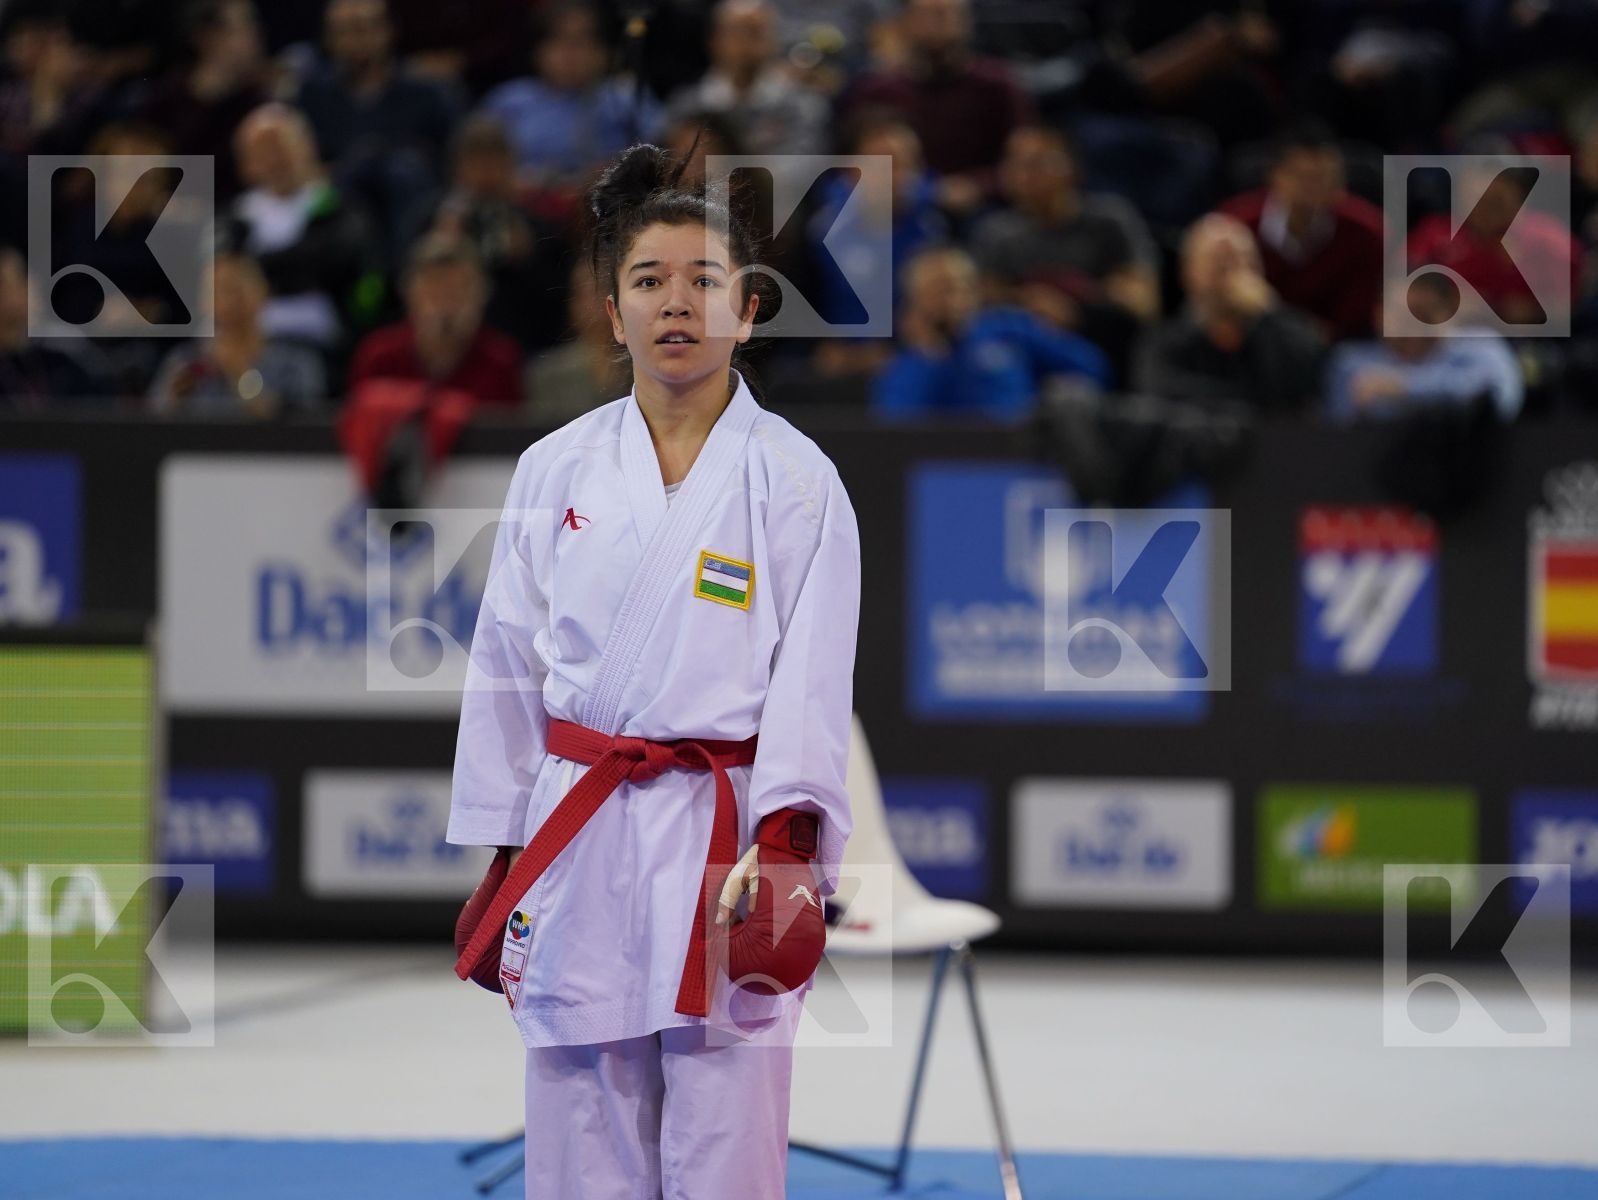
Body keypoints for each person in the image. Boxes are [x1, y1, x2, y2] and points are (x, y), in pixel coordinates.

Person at [446, 141, 860, 1198]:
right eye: (647, 281)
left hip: (722, 842)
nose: (675, 304)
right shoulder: (556, 467)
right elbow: (503, 662)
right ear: (610, 309)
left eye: (703, 282)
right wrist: (502, 851)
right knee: (580, 1118)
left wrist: (786, 842)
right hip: (577, 828)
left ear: (749, 309)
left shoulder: (795, 481)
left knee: (726, 1134)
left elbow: (811, 684)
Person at [874, 245, 1109, 420]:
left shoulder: (1008, 328)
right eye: (940, 290)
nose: (954, 299)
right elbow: (897, 424)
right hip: (943, 465)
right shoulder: (908, 362)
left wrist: (1049, 397)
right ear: (916, 300)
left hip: (1018, 451)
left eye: (962, 286)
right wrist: (929, 356)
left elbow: (1091, 365)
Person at [1136, 213, 1327, 410]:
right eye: (1219, 262)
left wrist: (1269, 313)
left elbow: (1303, 384)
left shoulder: (1280, 331)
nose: (1232, 275)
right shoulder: (1164, 342)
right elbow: (1165, 399)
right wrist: (1249, 402)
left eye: (1242, 262)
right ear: (1188, 273)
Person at [1217, 121, 1385, 342]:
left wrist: (1270, 310)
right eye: (1304, 177)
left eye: (1325, 177)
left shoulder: (1367, 232)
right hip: (1248, 345)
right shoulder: (1235, 226)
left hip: (1335, 351)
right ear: (1274, 176)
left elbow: (1353, 322)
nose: (1315, 189)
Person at [347, 232, 521, 408]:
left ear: (481, 295)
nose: (446, 305)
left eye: (458, 291)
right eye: (434, 292)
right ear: (410, 294)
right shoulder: (378, 356)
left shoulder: (501, 361)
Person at [1324, 274, 1524, 423]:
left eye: (1424, 314)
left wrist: (1404, 388)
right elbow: (1342, 430)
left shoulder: (1482, 349)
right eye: (1401, 314)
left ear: (1449, 311)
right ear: (1379, 315)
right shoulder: (1351, 362)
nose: (1413, 325)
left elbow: (1498, 402)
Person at [147, 252, 327, 417]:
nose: (227, 302)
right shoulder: (185, 358)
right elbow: (148, 421)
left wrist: (240, 374)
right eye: (215, 292)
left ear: (263, 293)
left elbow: (300, 426)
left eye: (234, 290)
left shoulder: (295, 362)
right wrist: (174, 397)